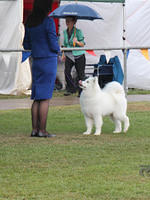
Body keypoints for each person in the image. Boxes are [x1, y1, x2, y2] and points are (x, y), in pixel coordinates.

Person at [23, 0, 60, 137]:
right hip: (48, 61)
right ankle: (43, 130)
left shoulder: (30, 22)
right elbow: (52, 42)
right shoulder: (48, 21)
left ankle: (34, 129)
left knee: (37, 97)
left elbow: (26, 43)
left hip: (36, 61)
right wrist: (58, 50)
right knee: (45, 98)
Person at [62, 16, 86, 97]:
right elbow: (64, 45)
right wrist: (63, 54)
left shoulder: (78, 32)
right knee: (67, 72)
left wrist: (77, 42)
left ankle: (81, 92)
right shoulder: (65, 32)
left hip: (79, 55)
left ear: (74, 22)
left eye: (69, 21)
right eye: (66, 21)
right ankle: (71, 89)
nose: (67, 22)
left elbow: (82, 44)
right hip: (69, 54)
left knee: (80, 74)